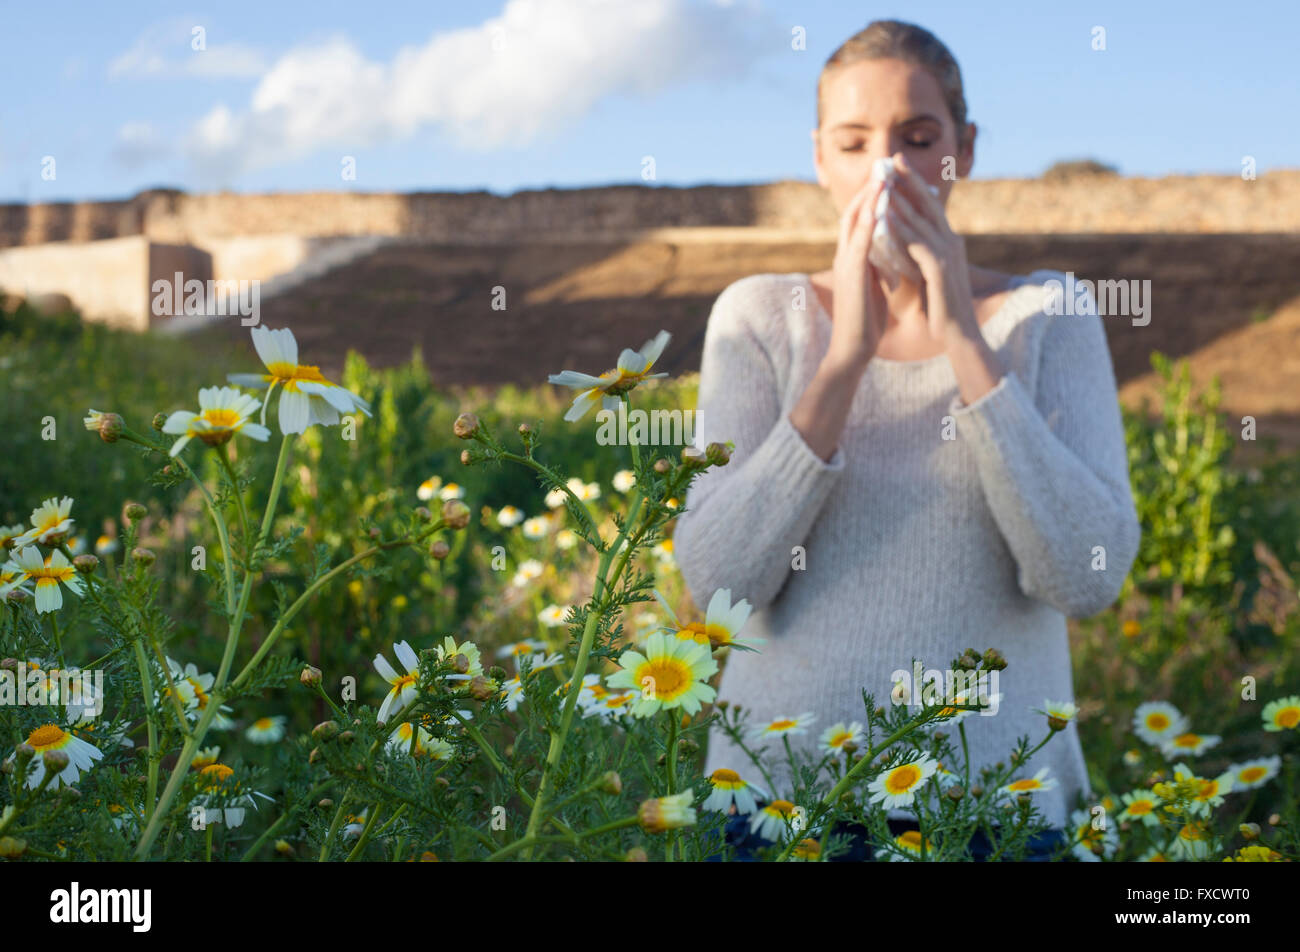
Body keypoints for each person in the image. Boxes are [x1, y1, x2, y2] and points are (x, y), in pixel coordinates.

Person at [674, 19, 1140, 860]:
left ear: (963, 148)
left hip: (996, 815)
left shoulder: (1049, 315)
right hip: (778, 813)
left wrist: (967, 343)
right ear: (820, 158)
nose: (887, 169)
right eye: (855, 143)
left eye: (918, 138)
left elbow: (1084, 576)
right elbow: (720, 588)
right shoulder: (755, 317)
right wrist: (842, 362)